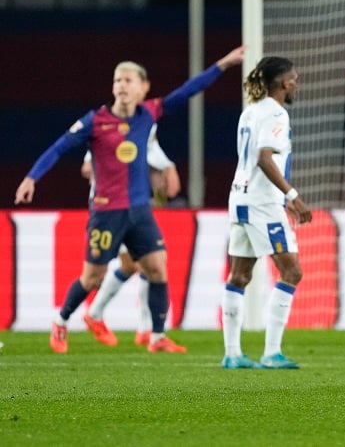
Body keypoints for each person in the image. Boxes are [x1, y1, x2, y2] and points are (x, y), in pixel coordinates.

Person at [15, 45, 245, 354]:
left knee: (157, 269)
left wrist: (224, 64)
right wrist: (32, 178)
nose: (121, 85)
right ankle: (61, 320)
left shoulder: (148, 114)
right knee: (92, 276)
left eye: (128, 80)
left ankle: (157, 337)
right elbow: (58, 147)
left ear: (143, 87)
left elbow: (188, 91)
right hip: (107, 212)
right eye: (117, 80)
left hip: (140, 211)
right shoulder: (94, 121)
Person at [220, 56, 313, 370]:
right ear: (284, 83)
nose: (296, 81)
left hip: (240, 199)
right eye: (294, 77)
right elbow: (264, 158)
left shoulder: (250, 112)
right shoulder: (276, 113)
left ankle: (232, 354)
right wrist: (292, 195)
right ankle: (272, 352)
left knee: (240, 275)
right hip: (262, 204)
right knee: (292, 271)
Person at [79, 72, 182, 348]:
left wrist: (166, 170)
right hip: (108, 206)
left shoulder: (145, 125)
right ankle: (95, 315)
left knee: (146, 263)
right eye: (121, 82)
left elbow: (160, 163)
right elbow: (87, 165)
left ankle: (144, 328)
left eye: (131, 83)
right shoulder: (106, 123)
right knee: (132, 266)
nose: (126, 88)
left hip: (133, 205)